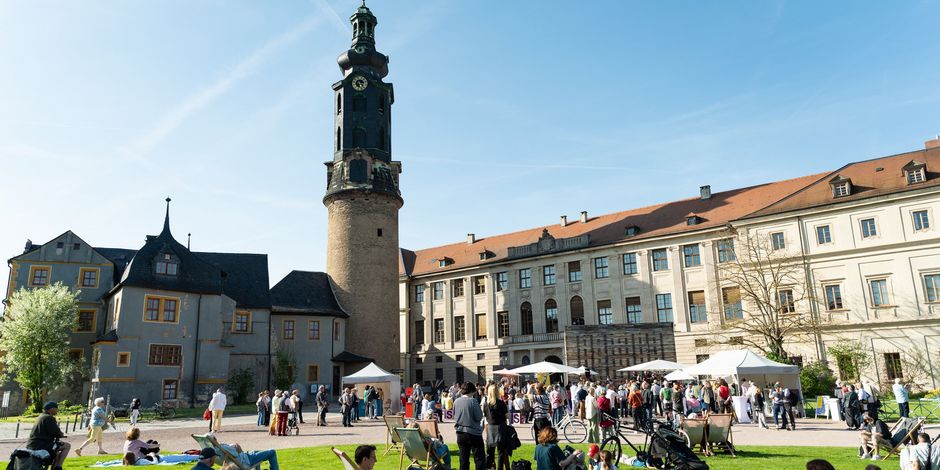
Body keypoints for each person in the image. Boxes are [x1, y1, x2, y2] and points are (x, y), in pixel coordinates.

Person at [26, 401, 70, 470]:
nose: (57, 410)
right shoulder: (49, 418)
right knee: (67, 446)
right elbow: (56, 432)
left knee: (57, 452)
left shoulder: (40, 416)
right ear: (51, 409)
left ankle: (54, 467)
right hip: (42, 445)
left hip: (32, 444)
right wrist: (61, 434)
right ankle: (58, 467)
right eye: (56, 408)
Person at [453, 382, 486, 470]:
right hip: (473, 433)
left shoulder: (456, 401)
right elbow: (479, 417)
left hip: (460, 432)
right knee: (479, 459)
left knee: (463, 460)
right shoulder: (473, 401)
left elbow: (454, 416)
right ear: (472, 391)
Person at [484, 384, 512, 470]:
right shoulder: (501, 403)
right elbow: (507, 416)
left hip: (490, 428)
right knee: (501, 452)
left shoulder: (486, 404)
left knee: (490, 452)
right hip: (500, 428)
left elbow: (485, 416)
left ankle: (491, 467)